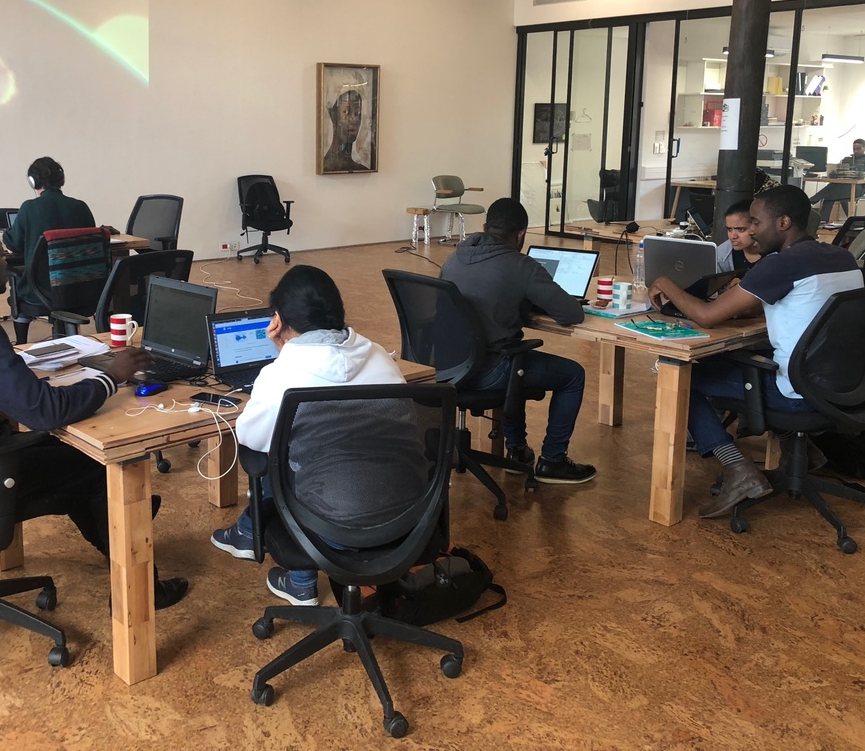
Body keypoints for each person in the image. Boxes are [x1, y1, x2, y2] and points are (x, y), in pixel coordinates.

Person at [0, 215, 189, 609]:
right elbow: (45, 412)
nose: (9, 263)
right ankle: (139, 589)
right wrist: (111, 376)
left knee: (67, 460)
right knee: (92, 466)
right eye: (1, 255)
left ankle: (125, 528)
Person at [648, 185, 863, 518]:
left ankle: (738, 470)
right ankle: (801, 450)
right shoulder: (840, 256)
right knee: (738, 360)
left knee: (682, 375)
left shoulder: (781, 265)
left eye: (756, 223)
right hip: (845, 386)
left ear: (783, 223)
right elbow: (803, 305)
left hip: (799, 392)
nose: (750, 231)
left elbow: (707, 316)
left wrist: (665, 282)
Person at [210, 265, 406, 606]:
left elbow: (252, 438)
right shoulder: (380, 358)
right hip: (407, 516)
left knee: (277, 456)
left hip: (330, 524)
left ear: (279, 320)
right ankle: (274, 558)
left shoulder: (282, 374)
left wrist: (281, 357)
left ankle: (294, 574)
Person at [439, 198, 596, 484]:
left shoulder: (457, 256)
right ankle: (553, 460)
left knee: (515, 356)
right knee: (572, 374)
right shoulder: (520, 265)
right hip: (488, 371)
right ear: (521, 234)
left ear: (485, 227)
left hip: (449, 366)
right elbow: (572, 314)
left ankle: (517, 451)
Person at [2, 156, 96, 344]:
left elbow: (13, 245)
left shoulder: (29, 208)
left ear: (33, 182)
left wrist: (5, 235)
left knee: (18, 284)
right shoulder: (81, 207)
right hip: (81, 292)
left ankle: (21, 343)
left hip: (41, 293)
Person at [808, 138, 865, 216]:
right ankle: (822, 221)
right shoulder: (846, 159)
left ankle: (810, 201)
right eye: (854, 149)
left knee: (831, 190)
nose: (856, 151)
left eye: (859, 148)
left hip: (858, 188)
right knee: (829, 196)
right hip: (842, 186)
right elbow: (839, 172)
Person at [321, 86, 373, 172]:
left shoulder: (360, 169)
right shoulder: (326, 165)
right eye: (346, 112)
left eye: (357, 113)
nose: (354, 119)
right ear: (333, 115)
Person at [715, 199, 762, 278]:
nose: (733, 236)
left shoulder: (776, 254)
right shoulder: (722, 255)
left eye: (741, 229)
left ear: (756, 226)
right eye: (729, 229)